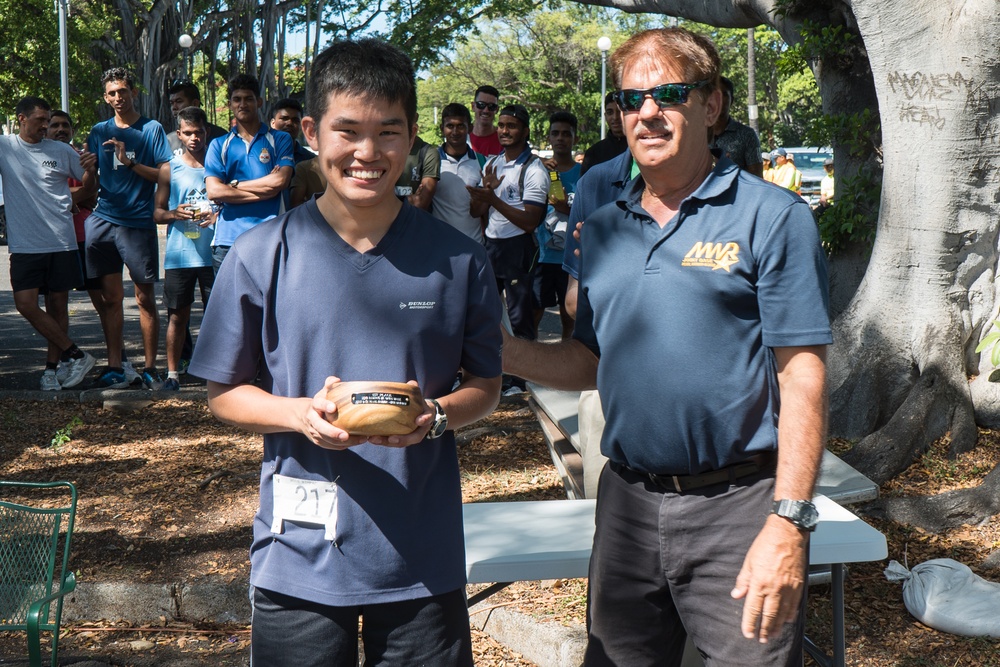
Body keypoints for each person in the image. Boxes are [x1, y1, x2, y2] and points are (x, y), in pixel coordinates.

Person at [503, 27, 831, 666]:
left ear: (712, 105)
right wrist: (499, 351)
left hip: (739, 508)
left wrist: (789, 520)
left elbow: (803, 377)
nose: (647, 113)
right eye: (631, 100)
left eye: (670, 94)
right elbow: (590, 360)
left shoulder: (772, 217)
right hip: (626, 506)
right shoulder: (601, 229)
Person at [188, 37, 502, 666]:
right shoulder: (261, 254)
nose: (367, 153)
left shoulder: (459, 260)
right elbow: (224, 393)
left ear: (411, 138)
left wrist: (436, 416)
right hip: (298, 556)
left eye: (388, 132)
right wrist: (300, 414)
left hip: (421, 558)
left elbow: (486, 385)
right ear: (311, 132)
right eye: (348, 131)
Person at [0, 97, 98, 390]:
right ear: (21, 119)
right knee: (25, 304)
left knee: (58, 307)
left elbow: (90, 189)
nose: (46, 125)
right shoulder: (5, 147)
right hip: (24, 244)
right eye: (40, 120)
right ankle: (77, 355)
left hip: (61, 241)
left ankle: (51, 371)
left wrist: (90, 172)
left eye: (48, 120)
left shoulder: (61, 150)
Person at [85, 67, 173, 389]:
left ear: (133, 92)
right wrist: (87, 170)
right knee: (111, 298)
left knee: (144, 298)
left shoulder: (151, 129)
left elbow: (165, 175)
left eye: (123, 91)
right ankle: (115, 367)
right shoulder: (99, 131)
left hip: (137, 222)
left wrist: (130, 162)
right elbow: (91, 182)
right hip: (104, 221)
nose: (118, 97)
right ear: (105, 98)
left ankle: (150, 368)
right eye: (112, 93)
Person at [47, 110, 142, 386]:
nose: (61, 129)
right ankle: (65, 362)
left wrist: (60, 198)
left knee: (105, 302)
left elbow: (92, 190)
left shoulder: (82, 158)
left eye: (66, 125)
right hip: (54, 241)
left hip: (85, 237)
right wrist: (68, 198)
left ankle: (121, 361)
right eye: (55, 125)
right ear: (46, 129)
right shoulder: (40, 159)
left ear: (72, 130)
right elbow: (46, 195)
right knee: (56, 305)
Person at [467, 104, 549, 346]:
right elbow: (475, 211)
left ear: (525, 131)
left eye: (511, 126)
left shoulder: (534, 169)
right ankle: (494, 365)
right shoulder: (492, 163)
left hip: (519, 248)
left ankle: (524, 370)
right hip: (492, 246)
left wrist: (493, 199)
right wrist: (485, 192)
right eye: (501, 125)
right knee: (486, 312)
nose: (504, 130)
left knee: (519, 319)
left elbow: (530, 222)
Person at [204, 74, 295, 273]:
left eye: (248, 99)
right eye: (237, 99)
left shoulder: (280, 139)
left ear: (259, 102)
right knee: (228, 296)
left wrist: (233, 185)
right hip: (227, 241)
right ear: (230, 104)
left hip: (270, 237)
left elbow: (280, 181)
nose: (242, 104)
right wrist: (267, 189)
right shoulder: (218, 144)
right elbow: (214, 192)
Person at [153, 106, 216, 392]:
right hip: (180, 255)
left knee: (216, 316)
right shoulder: (170, 168)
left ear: (206, 132)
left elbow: (232, 201)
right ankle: (172, 374)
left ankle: (217, 373)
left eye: (198, 132)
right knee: (177, 316)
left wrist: (217, 215)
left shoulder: (218, 165)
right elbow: (157, 212)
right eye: (188, 133)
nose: (194, 138)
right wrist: (174, 213)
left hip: (213, 253)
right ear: (178, 134)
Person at [534, 111, 579, 340]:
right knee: (534, 314)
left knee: (569, 316)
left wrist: (565, 208)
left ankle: (566, 356)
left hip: (569, 257)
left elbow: (587, 214)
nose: (560, 138)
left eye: (566, 134)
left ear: (574, 138)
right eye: (555, 133)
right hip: (541, 255)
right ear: (549, 138)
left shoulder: (583, 173)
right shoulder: (537, 170)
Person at [432, 103, 488, 242]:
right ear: (442, 129)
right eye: (450, 126)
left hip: (474, 245)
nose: (455, 131)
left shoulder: (483, 162)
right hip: (440, 246)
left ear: (470, 128)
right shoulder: (431, 162)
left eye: (461, 126)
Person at [712, 76, 763, 176]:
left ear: (732, 100)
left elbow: (757, 177)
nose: (719, 99)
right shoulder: (697, 134)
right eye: (715, 94)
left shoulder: (747, 135)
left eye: (724, 94)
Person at [166, 81, 228, 156]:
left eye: (179, 101)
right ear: (179, 134)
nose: (174, 107)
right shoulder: (169, 140)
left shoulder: (221, 136)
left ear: (195, 103)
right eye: (171, 103)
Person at [394, 123, 440, 211]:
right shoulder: (385, 150)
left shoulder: (428, 152)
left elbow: (421, 202)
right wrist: (410, 198)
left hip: (415, 217)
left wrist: (387, 201)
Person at [580, 92, 628, 176]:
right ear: (605, 116)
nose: (615, 117)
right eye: (610, 112)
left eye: (619, 111)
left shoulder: (638, 148)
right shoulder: (593, 153)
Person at [269, 97, 314, 164]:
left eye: (295, 120)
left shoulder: (311, 161)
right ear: (273, 123)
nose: (289, 123)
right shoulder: (259, 154)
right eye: (284, 118)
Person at [469, 85, 502, 157]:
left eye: (491, 106)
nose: (486, 110)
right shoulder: (462, 139)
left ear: (497, 109)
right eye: (481, 105)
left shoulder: (504, 139)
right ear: (473, 106)